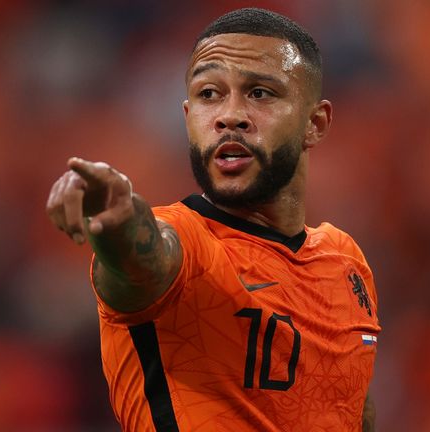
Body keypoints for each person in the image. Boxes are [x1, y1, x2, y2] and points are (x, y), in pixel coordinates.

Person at [46, 7, 380, 432]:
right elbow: (142, 258)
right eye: (209, 94)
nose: (229, 115)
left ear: (315, 124)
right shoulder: (185, 242)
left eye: (260, 93)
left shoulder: (347, 266)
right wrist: (117, 217)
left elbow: (353, 412)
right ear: (188, 119)